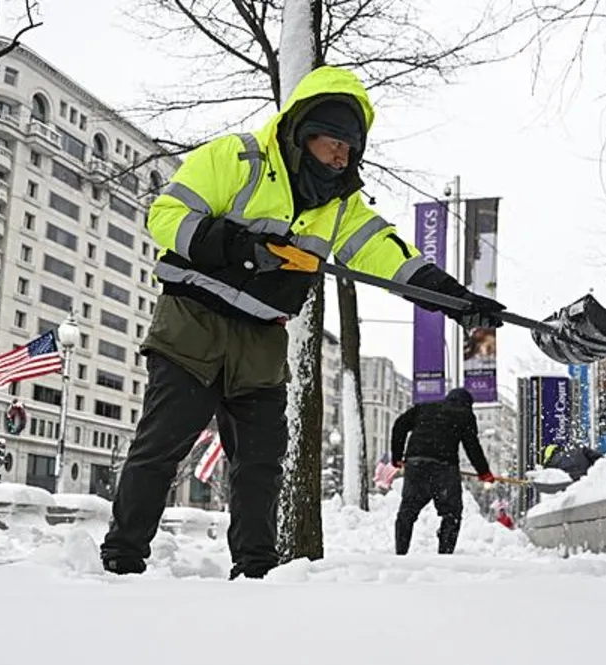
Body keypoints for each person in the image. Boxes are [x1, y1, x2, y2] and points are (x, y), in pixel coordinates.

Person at [100, 66, 505, 579]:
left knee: (261, 464)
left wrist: (455, 299)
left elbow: (388, 255)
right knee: (162, 447)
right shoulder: (236, 159)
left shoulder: (341, 206)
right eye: (332, 140)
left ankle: (256, 570)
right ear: (302, 132)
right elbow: (166, 215)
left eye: (350, 145)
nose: (342, 154)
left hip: (264, 337)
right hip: (193, 323)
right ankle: (123, 556)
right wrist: (239, 247)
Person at [389, 388, 495, 555]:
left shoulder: (425, 407)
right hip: (443, 467)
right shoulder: (464, 414)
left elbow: (399, 426)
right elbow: (471, 445)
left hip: (415, 464)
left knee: (407, 511)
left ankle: (400, 553)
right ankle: (445, 555)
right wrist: (484, 472)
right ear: (467, 404)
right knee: (451, 513)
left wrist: (396, 456)